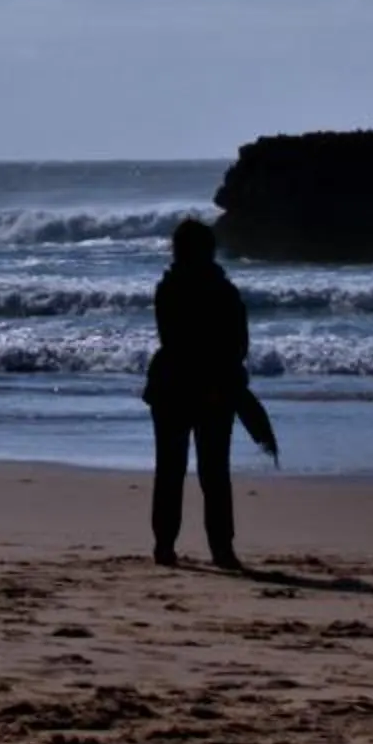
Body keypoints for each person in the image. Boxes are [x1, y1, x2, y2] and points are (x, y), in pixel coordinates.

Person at [143, 217, 250, 568]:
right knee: (215, 472)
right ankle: (222, 549)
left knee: (170, 469)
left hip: (170, 386)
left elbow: (172, 341)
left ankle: (164, 546)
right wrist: (220, 384)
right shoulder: (223, 290)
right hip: (212, 388)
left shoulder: (168, 288)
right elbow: (238, 345)